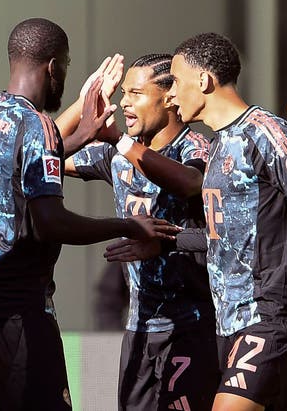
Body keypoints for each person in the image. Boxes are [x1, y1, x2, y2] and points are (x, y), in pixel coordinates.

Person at [0, 18, 181, 411]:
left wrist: (80, 135)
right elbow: (51, 222)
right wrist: (129, 225)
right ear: (52, 67)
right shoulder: (37, 124)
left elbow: (20, 172)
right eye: (65, 65)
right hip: (19, 311)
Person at [108, 32, 287, 411]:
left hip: (270, 311)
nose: (172, 96)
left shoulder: (265, 129)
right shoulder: (218, 145)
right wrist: (167, 242)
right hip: (227, 319)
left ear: (203, 82)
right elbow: (223, 235)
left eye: (178, 85)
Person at [63, 54, 219, 410]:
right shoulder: (115, 156)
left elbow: (189, 183)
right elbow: (44, 155)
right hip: (139, 329)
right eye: (123, 94)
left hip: (191, 329)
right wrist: (84, 108)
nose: (123, 102)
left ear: (168, 98)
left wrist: (118, 138)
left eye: (135, 93)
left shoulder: (195, 149)